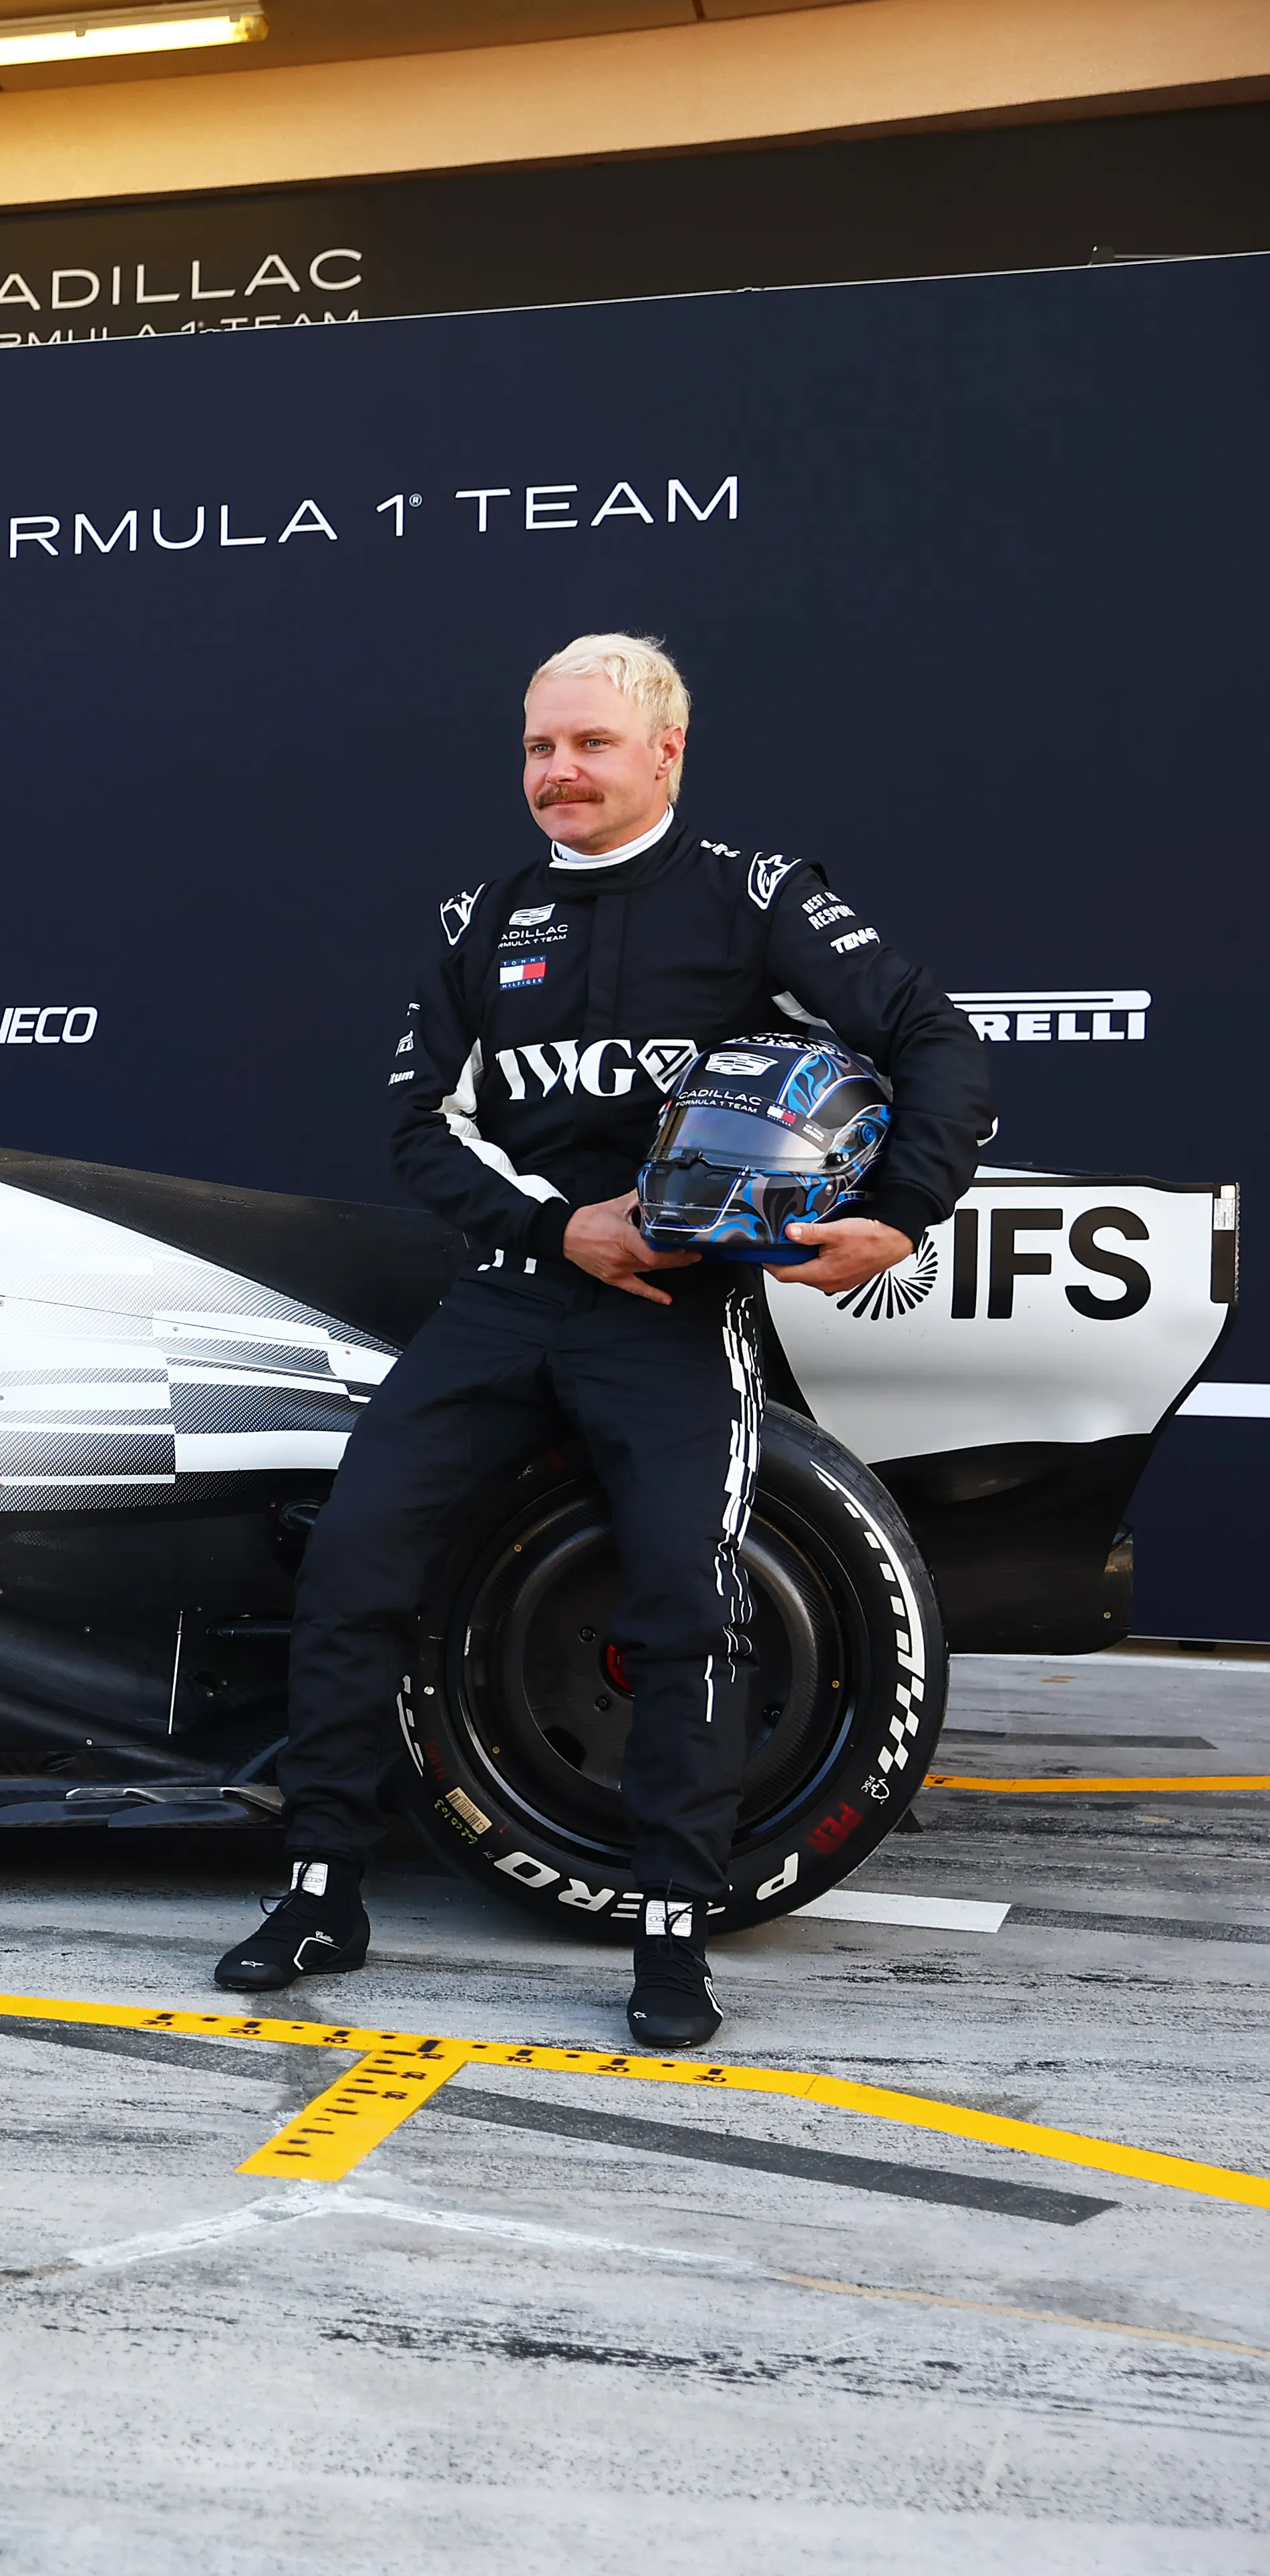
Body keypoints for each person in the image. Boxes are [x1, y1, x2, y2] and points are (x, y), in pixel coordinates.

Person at [214, 634, 990, 2046]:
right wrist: (556, 1228)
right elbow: (416, 1129)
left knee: (683, 1611)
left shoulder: (754, 899)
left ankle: (672, 1924)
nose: (555, 772)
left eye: (586, 744)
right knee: (350, 1561)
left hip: (679, 1315)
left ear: (662, 752)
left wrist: (896, 1213)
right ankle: (321, 1882)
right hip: (515, 1290)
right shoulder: (478, 917)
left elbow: (934, 1040)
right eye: (535, 747)